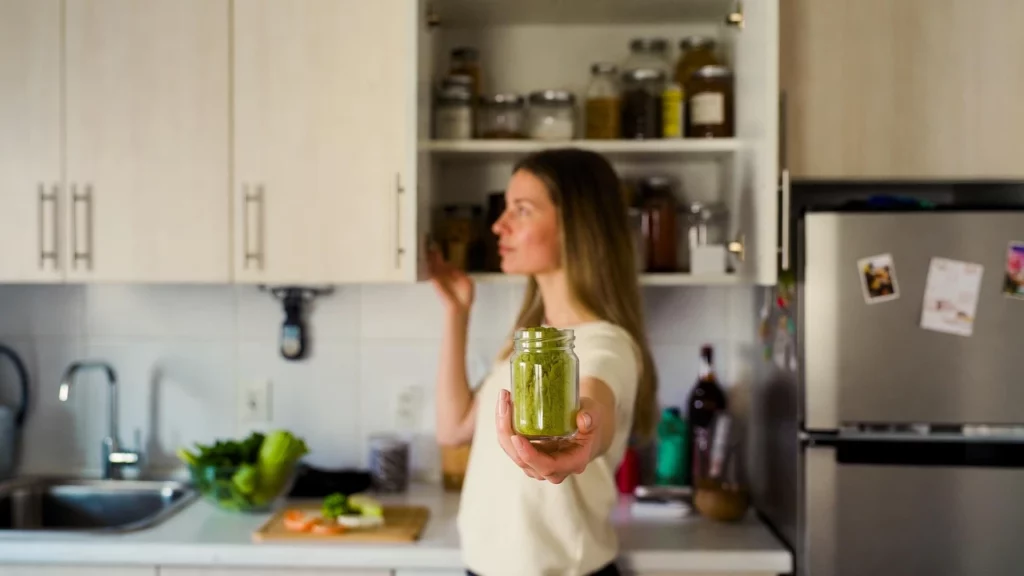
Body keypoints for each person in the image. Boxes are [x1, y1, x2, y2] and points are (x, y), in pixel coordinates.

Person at [430, 148, 658, 576]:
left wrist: (582, 438)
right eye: (504, 210)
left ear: (576, 226)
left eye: (522, 210)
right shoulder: (532, 344)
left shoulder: (605, 344)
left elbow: (595, 403)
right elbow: (452, 427)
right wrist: (456, 313)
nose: (499, 225)